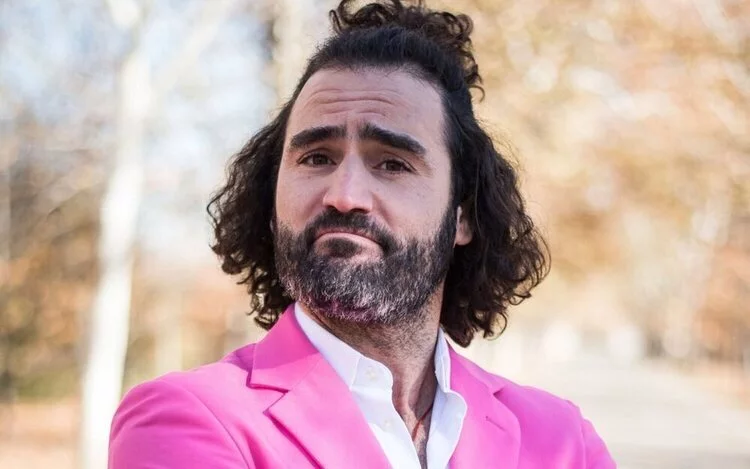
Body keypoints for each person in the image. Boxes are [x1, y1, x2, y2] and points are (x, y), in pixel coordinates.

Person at [108, 1, 615, 468]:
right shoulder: (187, 420)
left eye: (392, 163)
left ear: (462, 216)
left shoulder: (561, 440)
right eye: (316, 158)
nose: (344, 195)